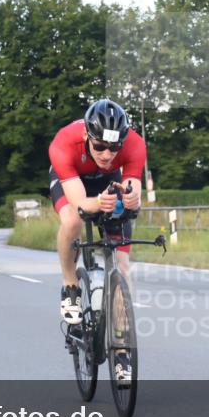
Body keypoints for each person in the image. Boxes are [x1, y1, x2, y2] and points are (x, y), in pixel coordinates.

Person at [49, 99, 145, 332]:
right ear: (86, 135)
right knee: (72, 219)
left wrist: (132, 199)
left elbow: (133, 189)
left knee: (122, 265)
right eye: (100, 146)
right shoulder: (64, 143)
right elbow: (81, 204)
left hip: (108, 179)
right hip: (72, 180)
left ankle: (122, 349)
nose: (106, 154)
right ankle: (70, 285)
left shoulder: (135, 144)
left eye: (114, 148)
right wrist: (100, 202)